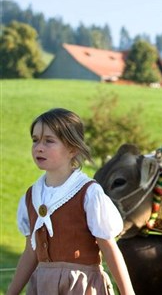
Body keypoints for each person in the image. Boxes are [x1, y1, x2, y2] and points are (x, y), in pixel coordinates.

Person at [7, 108, 135, 295]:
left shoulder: (89, 193)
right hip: (42, 286)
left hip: (80, 286)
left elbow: (109, 248)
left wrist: (128, 293)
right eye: (35, 140)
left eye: (49, 141)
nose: (39, 147)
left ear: (72, 148)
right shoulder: (31, 196)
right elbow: (31, 252)